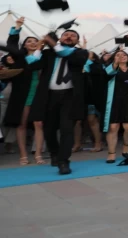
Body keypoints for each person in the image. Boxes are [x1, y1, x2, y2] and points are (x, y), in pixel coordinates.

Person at [30, 29, 89, 175]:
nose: (69, 37)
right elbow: (31, 65)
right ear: (60, 38)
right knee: (49, 129)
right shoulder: (48, 54)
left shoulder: (80, 53)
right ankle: (54, 153)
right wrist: (39, 47)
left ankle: (64, 161)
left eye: (73, 36)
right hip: (49, 96)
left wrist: (53, 44)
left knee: (66, 129)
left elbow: (70, 56)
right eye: (66, 35)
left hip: (70, 96)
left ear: (77, 41)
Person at [3, 17, 44, 165]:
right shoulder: (19, 57)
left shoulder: (42, 57)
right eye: (29, 41)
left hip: (39, 94)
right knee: (22, 124)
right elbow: (11, 44)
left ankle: (38, 154)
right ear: (24, 45)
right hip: (23, 94)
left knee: (39, 124)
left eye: (35, 41)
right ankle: (23, 155)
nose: (32, 43)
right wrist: (17, 27)